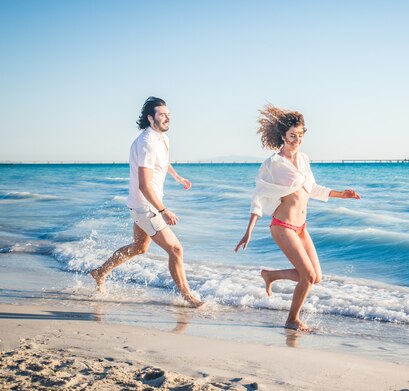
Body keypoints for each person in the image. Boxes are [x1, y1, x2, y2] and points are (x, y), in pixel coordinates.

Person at [235, 104, 360, 331]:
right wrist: (249, 229)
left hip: (301, 226)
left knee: (316, 277)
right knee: (307, 276)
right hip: (282, 226)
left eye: (300, 135)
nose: (297, 140)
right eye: (293, 135)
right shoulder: (272, 164)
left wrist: (341, 194)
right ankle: (292, 320)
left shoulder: (303, 159)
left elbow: (311, 188)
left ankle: (271, 275)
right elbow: (259, 196)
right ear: (283, 135)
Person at [90, 96, 204, 308]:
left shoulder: (162, 139)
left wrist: (177, 177)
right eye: (162, 115)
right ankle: (187, 296)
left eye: (168, 114)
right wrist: (164, 210)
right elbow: (144, 185)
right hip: (146, 206)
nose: (167, 118)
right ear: (151, 118)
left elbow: (163, 162)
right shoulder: (146, 144)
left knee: (139, 247)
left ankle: (100, 272)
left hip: (143, 204)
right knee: (176, 250)